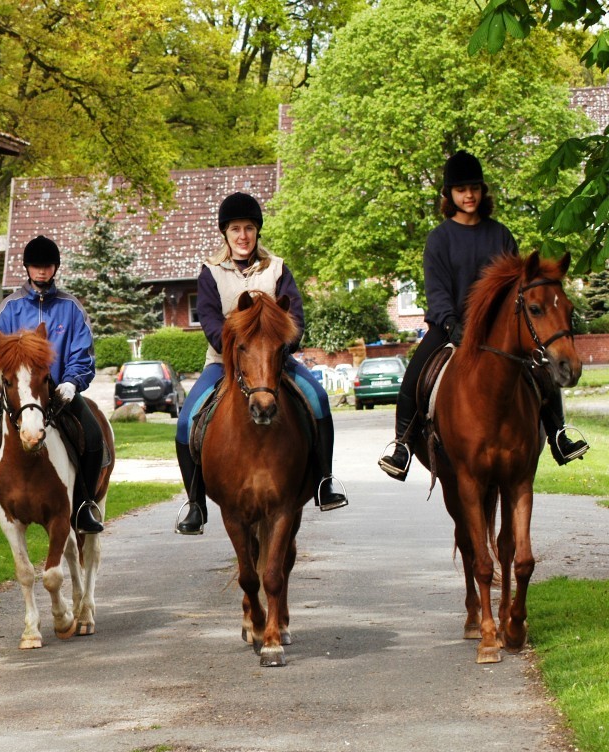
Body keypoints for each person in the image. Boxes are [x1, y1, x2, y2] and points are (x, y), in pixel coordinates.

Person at [378, 151, 589, 480]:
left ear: (482, 190)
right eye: (461, 189)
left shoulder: (500, 234)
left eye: (474, 188)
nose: (469, 195)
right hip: (451, 327)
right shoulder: (439, 239)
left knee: (541, 369)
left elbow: (517, 286)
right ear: (448, 194)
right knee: (415, 374)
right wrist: (451, 322)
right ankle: (402, 443)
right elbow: (436, 290)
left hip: (498, 329)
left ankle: (558, 434)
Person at [174, 192, 348, 535]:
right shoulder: (211, 272)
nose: (243, 236)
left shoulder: (277, 269)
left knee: (318, 399)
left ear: (257, 232)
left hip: (275, 361)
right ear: (225, 233)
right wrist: (234, 347)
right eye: (236, 229)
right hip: (223, 362)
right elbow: (210, 321)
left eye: (249, 228)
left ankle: (324, 482)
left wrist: (279, 349)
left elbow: (294, 320)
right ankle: (195, 503)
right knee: (185, 421)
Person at [0, 234, 106, 535]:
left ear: (55, 268)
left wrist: (72, 383)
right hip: (15, 395)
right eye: (36, 265)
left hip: (59, 395)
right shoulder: (9, 308)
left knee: (94, 438)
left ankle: (84, 506)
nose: (42, 271)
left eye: (47, 265)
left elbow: (83, 353)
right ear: (27, 268)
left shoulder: (71, 308)